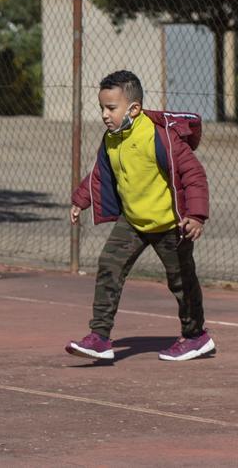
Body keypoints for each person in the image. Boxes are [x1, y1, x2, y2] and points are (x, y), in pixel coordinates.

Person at [67, 70, 213, 362]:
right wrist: (80, 200)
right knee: (109, 266)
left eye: (111, 108)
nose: (105, 115)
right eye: (102, 108)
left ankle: (196, 336)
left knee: (181, 281)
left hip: (171, 225)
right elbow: (99, 172)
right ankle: (99, 337)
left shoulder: (160, 136)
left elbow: (193, 174)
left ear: (133, 108)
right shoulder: (112, 139)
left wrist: (196, 215)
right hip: (133, 222)